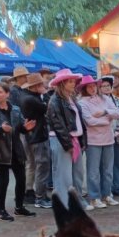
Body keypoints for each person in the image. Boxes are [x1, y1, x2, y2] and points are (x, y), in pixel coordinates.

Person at [0, 83, 37, 221]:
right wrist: (0, 129)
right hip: (0, 149)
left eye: (0, 92)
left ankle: (19, 207)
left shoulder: (15, 109)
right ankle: (0, 210)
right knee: (4, 180)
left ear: (7, 94)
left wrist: (26, 128)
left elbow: (19, 128)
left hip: (16, 148)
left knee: (21, 179)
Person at [46, 68, 90, 206]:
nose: (73, 83)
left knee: (78, 173)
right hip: (62, 140)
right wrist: (68, 144)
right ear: (62, 83)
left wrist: (81, 141)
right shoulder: (55, 101)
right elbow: (58, 125)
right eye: (70, 81)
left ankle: (77, 201)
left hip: (74, 139)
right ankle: (64, 204)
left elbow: (79, 122)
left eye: (73, 81)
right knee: (63, 174)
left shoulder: (72, 98)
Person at [78, 75, 119, 209]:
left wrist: (104, 112)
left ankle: (106, 195)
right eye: (89, 87)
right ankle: (94, 197)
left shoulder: (106, 99)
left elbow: (118, 113)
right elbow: (89, 121)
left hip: (108, 139)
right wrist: (107, 119)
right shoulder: (82, 102)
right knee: (93, 171)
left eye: (94, 86)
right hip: (93, 141)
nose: (92, 89)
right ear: (84, 88)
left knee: (108, 170)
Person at [18, 73, 53, 209]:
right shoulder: (31, 99)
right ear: (36, 86)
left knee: (34, 165)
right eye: (41, 84)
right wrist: (46, 94)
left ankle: (37, 194)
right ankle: (40, 197)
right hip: (37, 136)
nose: (44, 86)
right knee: (42, 166)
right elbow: (47, 108)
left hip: (30, 136)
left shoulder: (26, 96)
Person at [101, 76, 119, 198]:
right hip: (104, 136)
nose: (106, 88)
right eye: (103, 86)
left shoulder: (117, 100)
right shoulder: (98, 101)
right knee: (106, 164)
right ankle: (107, 189)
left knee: (118, 162)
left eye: (108, 85)